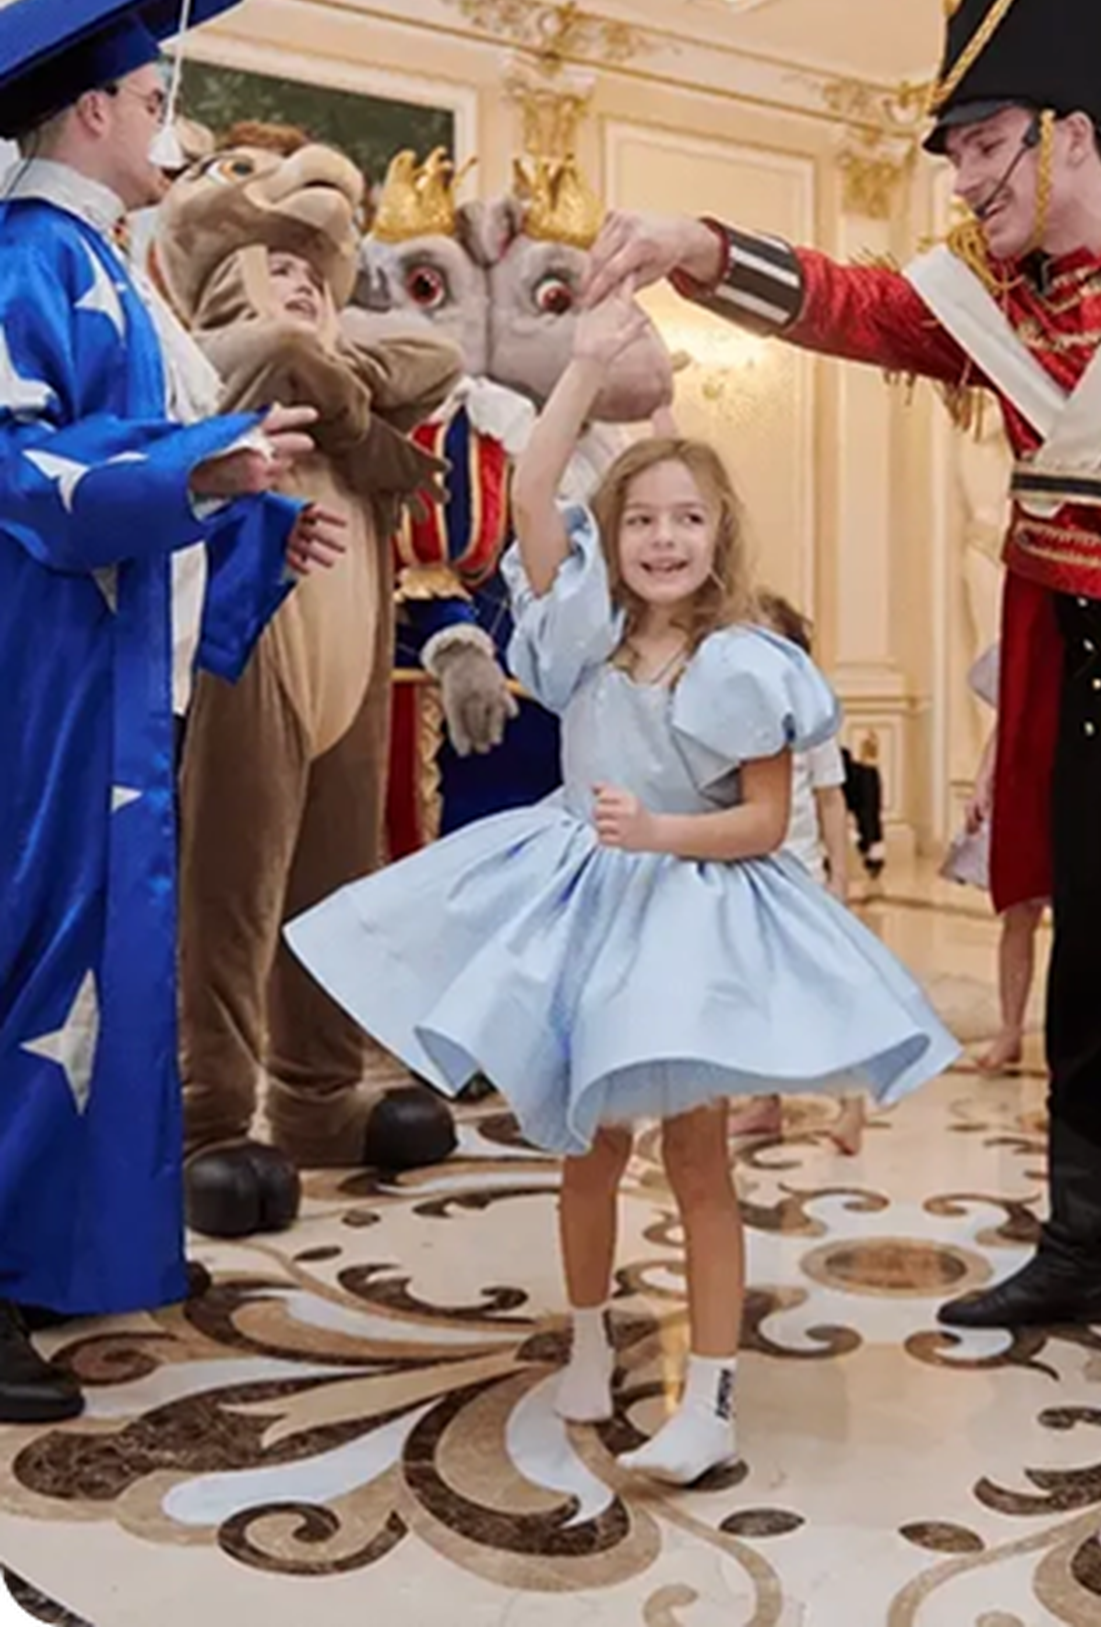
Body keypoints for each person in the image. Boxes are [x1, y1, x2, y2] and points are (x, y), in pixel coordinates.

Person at [579, 0, 1101, 1435]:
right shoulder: (984, 299)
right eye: (951, 150)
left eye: (983, 143)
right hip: (1089, 676)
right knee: (1090, 980)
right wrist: (690, 245)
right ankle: (1082, 1253)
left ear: (1067, 134)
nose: (961, 178)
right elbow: (853, 304)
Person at [285, 284, 959, 1484]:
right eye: (641, 518)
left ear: (718, 534)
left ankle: (712, 1398)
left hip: (687, 913)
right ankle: (590, 1341)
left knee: (698, 1161)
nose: (661, 538)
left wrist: (656, 829)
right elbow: (531, 490)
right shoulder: (582, 635)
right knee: (587, 1148)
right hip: (586, 908)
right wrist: (587, 365)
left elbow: (762, 822)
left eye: (686, 518)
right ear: (614, 533)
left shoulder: (743, 661)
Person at [0, 0, 342, 1425]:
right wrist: (203, 471)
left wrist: (255, 521)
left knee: (106, 960)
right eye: (153, 102)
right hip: (45, 683)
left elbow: (149, 453)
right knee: (36, 955)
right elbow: (21, 468)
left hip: (110, 679)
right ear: (92, 110)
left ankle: (79, 1249)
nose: (172, 127)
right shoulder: (26, 258)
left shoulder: (105, 263)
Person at [729, 588, 864, 1152]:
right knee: (751, 993)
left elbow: (831, 800)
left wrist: (840, 877)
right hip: (744, 874)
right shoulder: (728, 715)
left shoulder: (812, 718)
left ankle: (852, 1102)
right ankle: (764, 1102)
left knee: (818, 995)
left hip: (799, 875)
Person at [940, 643, 1047, 1072]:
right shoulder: (1025, 640)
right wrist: (983, 779)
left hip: (1080, 779)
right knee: (1018, 913)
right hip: (1025, 782)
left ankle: (1078, 1033)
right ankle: (1010, 1029)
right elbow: (1009, 719)